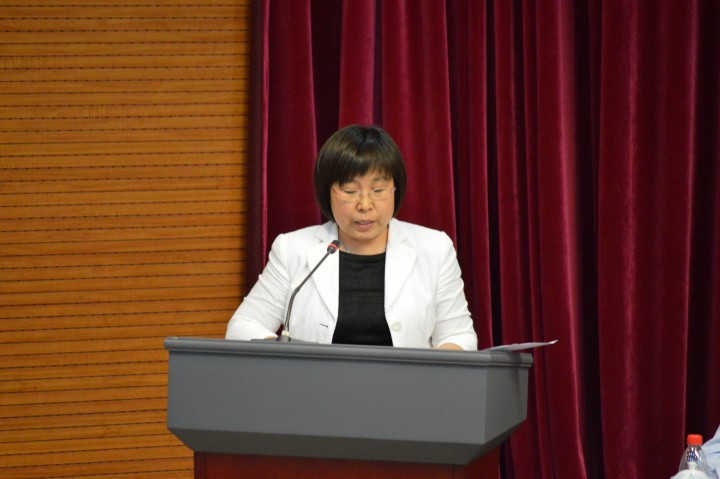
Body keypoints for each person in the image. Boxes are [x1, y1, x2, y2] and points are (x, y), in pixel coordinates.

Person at [225, 124, 477, 350]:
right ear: (328, 191)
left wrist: (432, 370)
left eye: (378, 190)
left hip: (409, 386)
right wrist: (290, 357)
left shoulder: (434, 248)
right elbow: (242, 327)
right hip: (316, 385)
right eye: (350, 190)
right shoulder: (292, 249)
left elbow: (460, 336)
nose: (365, 205)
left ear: (395, 190)